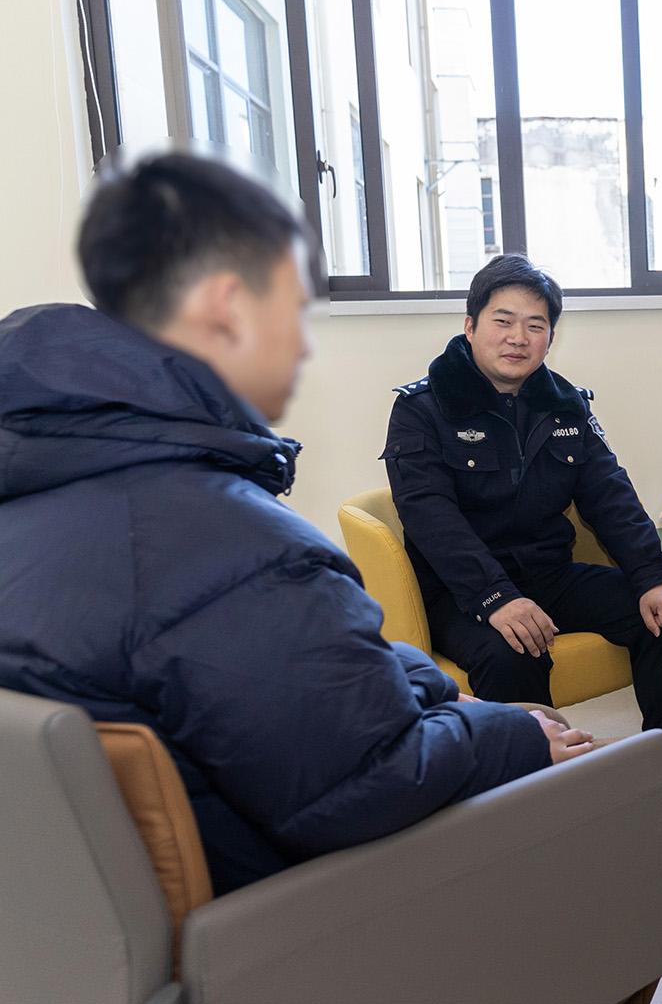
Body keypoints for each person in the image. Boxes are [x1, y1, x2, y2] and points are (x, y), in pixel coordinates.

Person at [0, 153, 588, 895]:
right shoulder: (236, 547)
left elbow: (296, 665)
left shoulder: (46, 493)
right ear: (227, 307)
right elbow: (371, 781)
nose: (305, 345)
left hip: (92, 918)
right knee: (635, 779)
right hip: (299, 923)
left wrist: (434, 691)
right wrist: (512, 733)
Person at [384, 254, 662, 838]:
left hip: (548, 574)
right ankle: (537, 812)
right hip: (462, 593)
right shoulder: (421, 409)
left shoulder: (565, 404)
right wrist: (496, 598)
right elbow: (430, 518)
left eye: (535, 325)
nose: (518, 337)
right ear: (470, 325)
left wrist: (654, 577)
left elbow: (610, 493)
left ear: (550, 338)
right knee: (512, 650)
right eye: (503, 320)